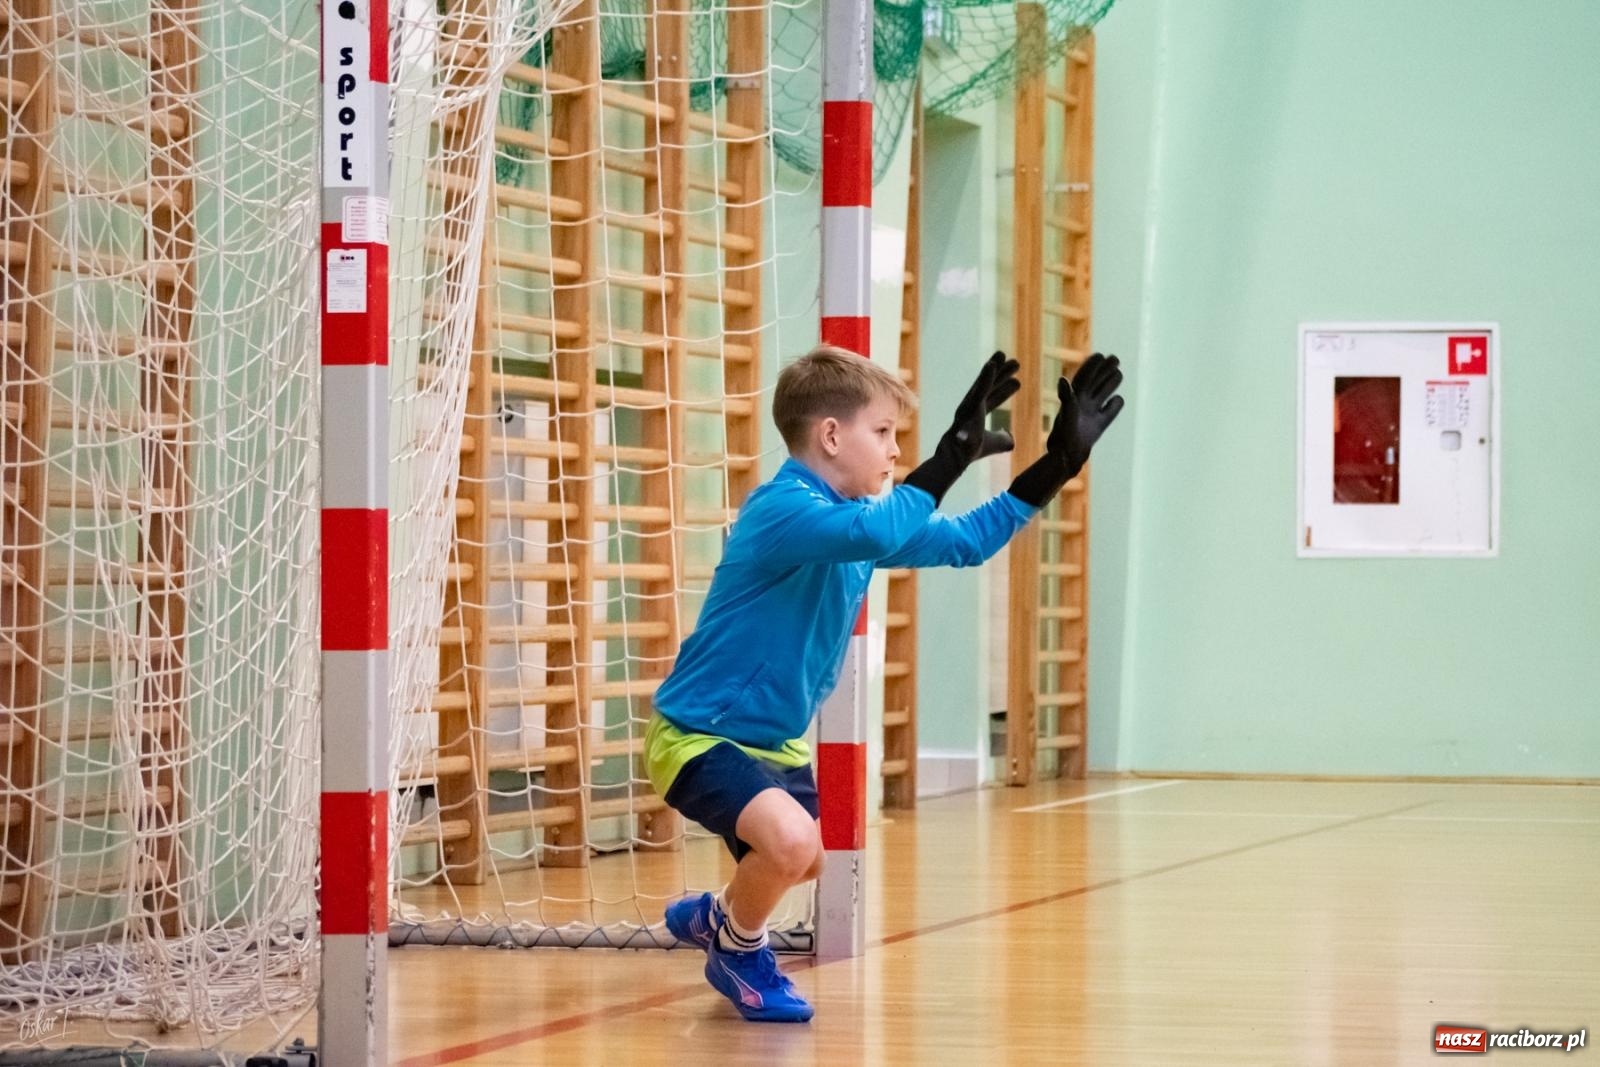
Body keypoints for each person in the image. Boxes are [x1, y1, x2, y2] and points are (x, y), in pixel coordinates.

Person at [644, 344, 1126, 1022]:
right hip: (698, 733)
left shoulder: (854, 524)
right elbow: (880, 527)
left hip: (775, 743)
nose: (896, 449)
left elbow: (967, 541)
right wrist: (952, 454)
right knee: (791, 844)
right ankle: (737, 951)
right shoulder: (781, 508)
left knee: (804, 859)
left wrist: (1059, 465)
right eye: (884, 431)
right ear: (830, 436)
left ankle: (718, 915)